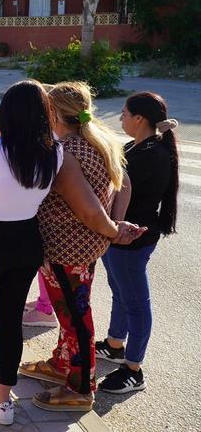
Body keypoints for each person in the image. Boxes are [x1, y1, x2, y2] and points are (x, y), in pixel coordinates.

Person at [0, 80, 142, 425]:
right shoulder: (57, 153)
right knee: (10, 321)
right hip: (29, 242)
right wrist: (114, 228)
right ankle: (3, 399)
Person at [18, 82, 131, 412]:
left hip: (67, 251)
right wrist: (114, 227)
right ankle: (63, 363)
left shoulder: (67, 153)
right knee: (71, 312)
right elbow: (122, 184)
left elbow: (88, 210)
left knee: (77, 317)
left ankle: (81, 388)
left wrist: (112, 230)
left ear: (52, 113)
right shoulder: (97, 141)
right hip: (83, 248)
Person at [95, 92, 180, 394]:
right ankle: (115, 344)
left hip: (133, 238)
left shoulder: (150, 155)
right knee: (120, 290)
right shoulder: (138, 147)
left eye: (124, 113)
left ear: (139, 119)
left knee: (136, 303)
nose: (120, 118)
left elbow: (113, 183)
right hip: (119, 235)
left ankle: (134, 370)